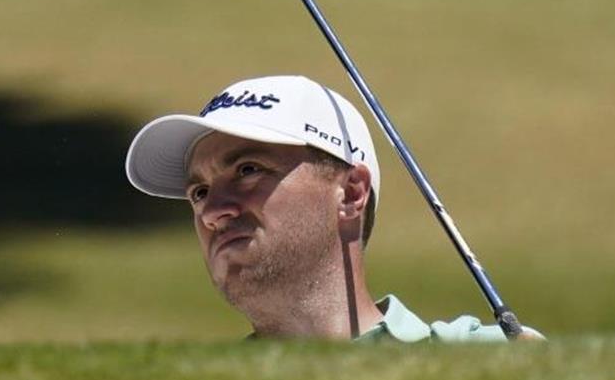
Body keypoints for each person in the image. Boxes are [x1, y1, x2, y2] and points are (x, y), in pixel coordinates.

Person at [125, 75, 543, 342]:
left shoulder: (488, 361)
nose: (212, 211)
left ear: (351, 193)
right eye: (198, 192)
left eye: (248, 169)